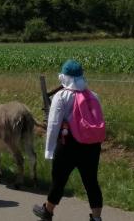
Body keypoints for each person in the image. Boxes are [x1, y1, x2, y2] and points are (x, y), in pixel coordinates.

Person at [33, 60, 104, 221]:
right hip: (92, 146)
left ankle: (48, 211)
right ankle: (97, 218)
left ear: (65, 77)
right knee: (91, 182)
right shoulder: (94, 96)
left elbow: (53, 124)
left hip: (68, 144)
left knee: (58, 180)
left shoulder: (62, 96)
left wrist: (49, 150)